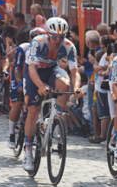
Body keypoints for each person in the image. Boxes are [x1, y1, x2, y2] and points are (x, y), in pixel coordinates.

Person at [22, 17, 83, 172]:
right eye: (54, 37)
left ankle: (56, 118)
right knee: (34, 111)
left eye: (61, 37)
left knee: (66, 85)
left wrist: (76, 87)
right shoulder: (38, 42)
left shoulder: (69, 46)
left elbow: (75, 71)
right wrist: (41, 86)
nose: (57, 40)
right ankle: (28, 151)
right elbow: (31, 69)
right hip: (34, 72)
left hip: (51, 69)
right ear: (48, 35)